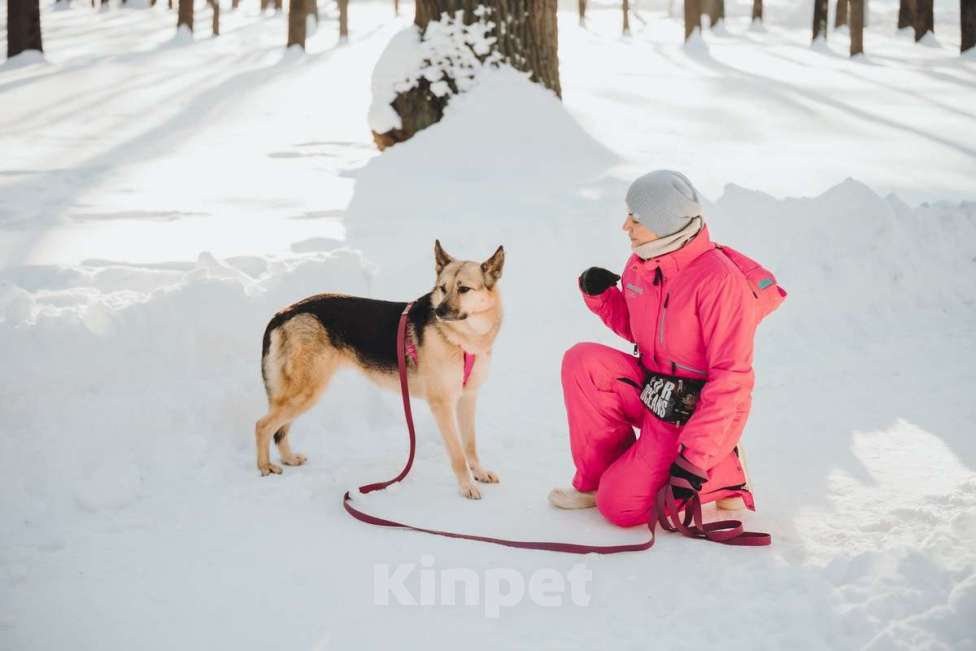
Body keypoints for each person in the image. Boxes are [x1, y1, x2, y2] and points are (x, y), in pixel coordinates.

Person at [549, 170, 760, 526]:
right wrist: (603, 298)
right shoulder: (642, 263)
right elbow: (644, 333)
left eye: (636, 217)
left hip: (691, 411)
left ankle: (723, 474)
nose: (625, 226)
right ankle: (599, 479)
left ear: (664, 223)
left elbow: (732, 380)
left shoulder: (719, 282)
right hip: (654, 389)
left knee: (621, 508)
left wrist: (694, 460)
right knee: (582, 361)